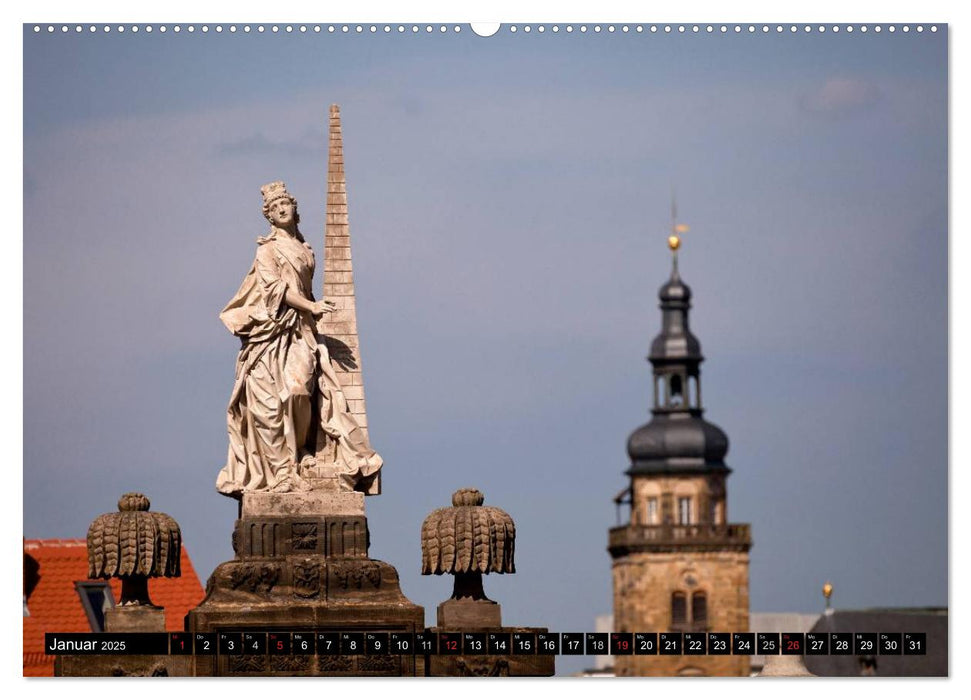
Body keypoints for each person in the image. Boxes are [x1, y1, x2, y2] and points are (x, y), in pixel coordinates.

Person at [216, 181, 381, 496]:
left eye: (285, 204)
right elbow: (276, 290)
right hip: (273, 332)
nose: (281, 209)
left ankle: (304, 449)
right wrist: (312, 306)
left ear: (294, 208)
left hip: (302, 331)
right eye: (275, 207)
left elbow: (301, 287)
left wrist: (311, 310)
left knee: (300, 390)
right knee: (287, 396)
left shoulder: (306, 250)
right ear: (269, 216)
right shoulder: (266, 250)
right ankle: (289, 463)